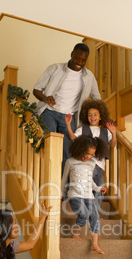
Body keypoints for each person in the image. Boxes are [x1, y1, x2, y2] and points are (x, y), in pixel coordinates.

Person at [33, 43, 101, 172]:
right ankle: (47, 175)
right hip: (49, 112)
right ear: (71, 54)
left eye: (83, 60)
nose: (79, 62)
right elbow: (36, 90)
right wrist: (45, 98)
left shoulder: (89, 76)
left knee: (69, 152)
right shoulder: (55, 68)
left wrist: (96, 117)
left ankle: (65, 186)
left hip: (69, 118)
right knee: (51, 143)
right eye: (77, 58)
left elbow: (97, 98)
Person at [65, 99, 117, 212]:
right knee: (87, 189)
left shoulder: (105, 131)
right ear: (86, 117)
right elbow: (73, 137)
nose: (92, 117)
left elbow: (112, 145)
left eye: (95, 115)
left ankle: (95, 214)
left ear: (100, 116)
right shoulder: (82, 129)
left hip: (100, 167)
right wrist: (68, 125)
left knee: (100, 190)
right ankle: (84, 212)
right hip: (86, 165)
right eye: (90, 115)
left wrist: (114, 133)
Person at [61, 135, 108, 254]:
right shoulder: (70, 161)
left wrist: (98, 188)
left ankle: (95, 244)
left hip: (89, 196)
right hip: (75, 195)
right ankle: (75, 231)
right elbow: (64, 179)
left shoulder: (91, 163)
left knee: (95, 217)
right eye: (87, 153)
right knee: (84, 214)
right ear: (80, 148)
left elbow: (90, 181)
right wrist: (61, 193)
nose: (89, 156)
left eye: (92, 154)